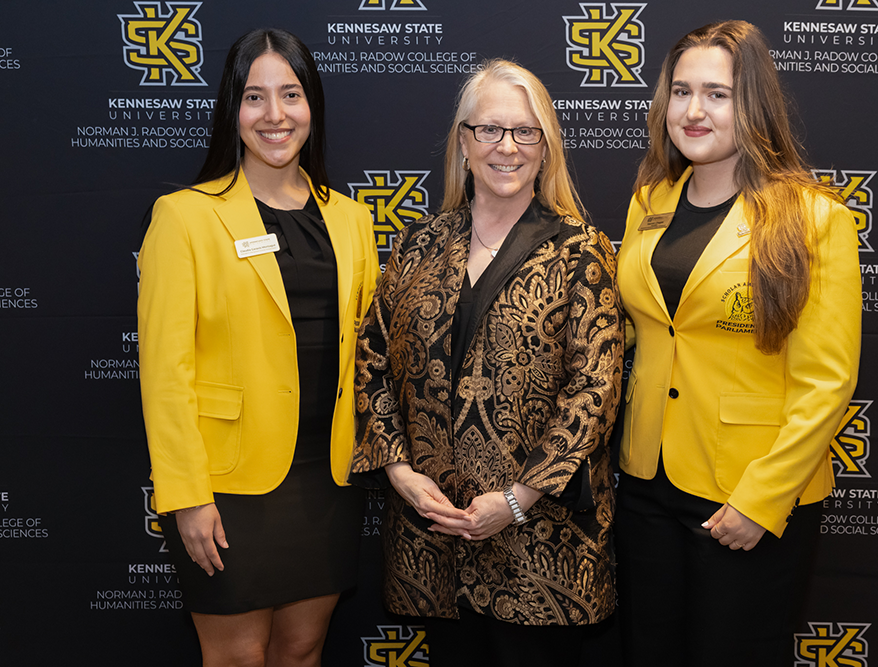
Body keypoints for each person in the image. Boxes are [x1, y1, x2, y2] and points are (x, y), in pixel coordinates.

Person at [351, 60, 624, 667]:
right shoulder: (419, 245)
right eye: (490, 130)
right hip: (434, 539)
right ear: (464, 143)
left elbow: (595, 391)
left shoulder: (581, 251)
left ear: (546, 147)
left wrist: (519, 498)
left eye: (525, 132)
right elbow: (370, 359)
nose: (507, 147)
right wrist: (398, 471)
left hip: (540, 548)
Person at [614, 20, 862, 666]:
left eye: (717, 94)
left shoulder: (814, 219)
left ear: (752, 103)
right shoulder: (650, 202)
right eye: (682, 91)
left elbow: (826, 383)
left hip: (746, 497)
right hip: (646, 483)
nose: (694, 110)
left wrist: (762, 499)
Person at [137, 28, 378, 667]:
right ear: (232, 110)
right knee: (239, 656)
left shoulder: (352, 219)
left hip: (327, 479)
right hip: (227, 484)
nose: (275, 115)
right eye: (254, 97)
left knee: (301, 651)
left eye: (291, 94)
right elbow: (165, 371)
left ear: (313, 106)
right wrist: (185, 494)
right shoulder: (184, 217)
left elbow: (369, 353)